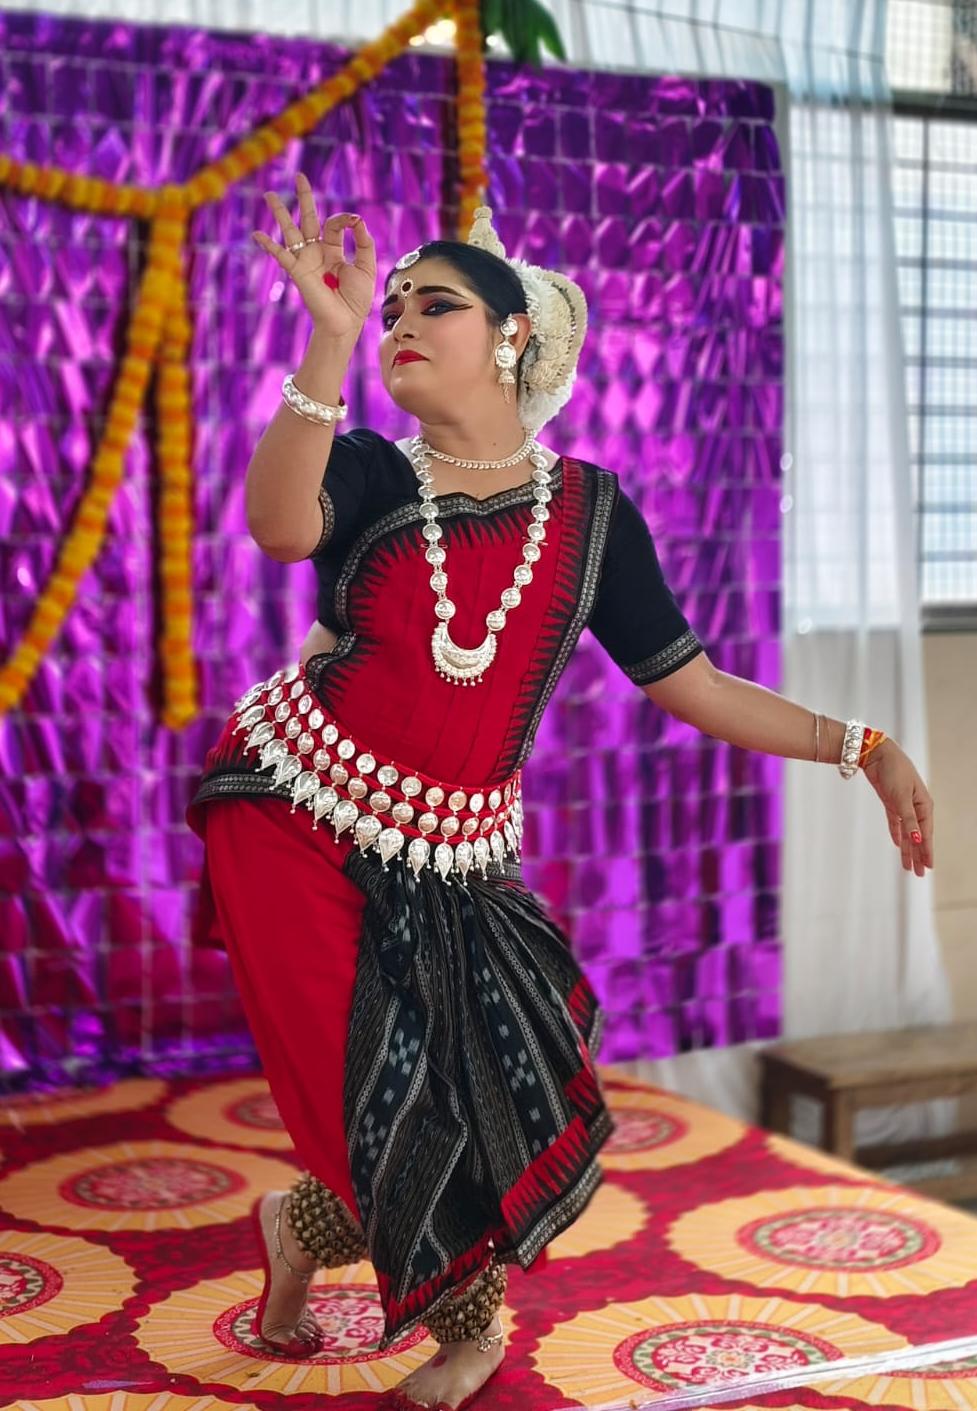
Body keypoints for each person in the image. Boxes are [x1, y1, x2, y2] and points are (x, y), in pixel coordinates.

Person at [185, 171, 935, 1411]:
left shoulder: (589, 516)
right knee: (377, 1088)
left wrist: (862, 746)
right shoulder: (371, 473)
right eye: (389, 312)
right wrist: (322, 334)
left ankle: (295, 1228)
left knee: (461, 1097)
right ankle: (467, 1330)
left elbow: (690, 685)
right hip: (292, 815)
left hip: (455, 852)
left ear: (512, 333)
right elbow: (274, 525)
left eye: (435, 305)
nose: (400, 324)